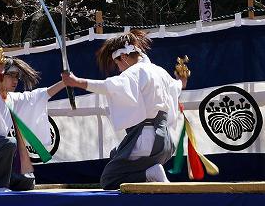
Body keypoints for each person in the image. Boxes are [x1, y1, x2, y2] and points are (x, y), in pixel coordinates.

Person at [62, 29, 187, 190]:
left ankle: (150, 174)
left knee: (110, 178)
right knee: (116, 154)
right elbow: (178, 86)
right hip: (165, 142)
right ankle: (150, 174)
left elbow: (110, 86)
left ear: (124, 57)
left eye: (118, 63)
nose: (119, 69)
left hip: (146, 140)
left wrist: (77, 82)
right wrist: (181, 82)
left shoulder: (134, 72)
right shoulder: (160, 71)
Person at [0, 56, 65, 192]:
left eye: (17, 77)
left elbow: (38, 96)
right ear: (0, 75)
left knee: (27, 181)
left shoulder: (12, 98)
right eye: (11, 75)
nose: (15, 80)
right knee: (10, 143)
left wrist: (64, 83)